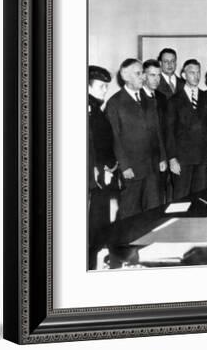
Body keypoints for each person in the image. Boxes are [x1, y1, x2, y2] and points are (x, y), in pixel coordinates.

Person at [106, 59, 166, 219]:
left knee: (153, 210)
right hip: (131, 169)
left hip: (152, 167)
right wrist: (124, 167)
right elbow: (114, 138)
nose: (143, 77)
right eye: (138, 73)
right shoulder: (115, 103)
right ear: (125, 75)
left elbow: (157, 131)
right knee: (129, 211)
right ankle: (124, 244)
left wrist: (162, 157)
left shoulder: (149, 99)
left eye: (143, 74)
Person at [166, 59, 207, 199]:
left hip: (203, 158)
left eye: (198, 72)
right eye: (191, 72)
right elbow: (169, 132)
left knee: (201, 199)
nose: (196, 76)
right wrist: (172, 159)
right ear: (183, 75)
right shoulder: (174, 100)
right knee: (181, 198)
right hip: (182, 159)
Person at [87, 65, 117, 269]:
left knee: (101, 223)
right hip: (96, 177)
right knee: (95, 225)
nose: (105, 90)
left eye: (106, 86)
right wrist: (101, 170)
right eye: (101, 86)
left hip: (104, 174)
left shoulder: (96, 108)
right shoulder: (89, 110)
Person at [141, 59, 169, 203]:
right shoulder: (137, 98)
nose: (156, 79)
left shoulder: (162, 98)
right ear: (143, 76)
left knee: (159, 199)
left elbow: (164, 130)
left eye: (159, 75)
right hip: (144, 161)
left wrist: (164, 157)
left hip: (161, 158)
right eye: (152, 75)